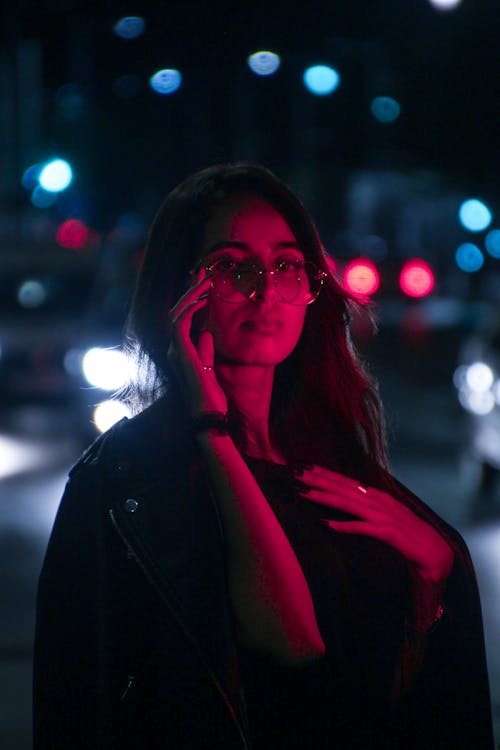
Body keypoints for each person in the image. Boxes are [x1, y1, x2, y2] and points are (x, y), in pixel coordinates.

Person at [33, 163, 494, 749]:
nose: (264, 291)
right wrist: (210, 418)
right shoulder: (123, 479)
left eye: (285, 266)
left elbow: (383, 686)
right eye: (230, 268)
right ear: (181, 290)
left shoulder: (327, 451)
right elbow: (292, 641)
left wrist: (435, 577)